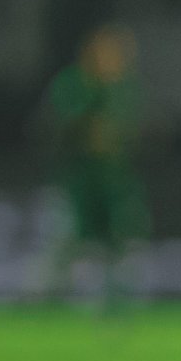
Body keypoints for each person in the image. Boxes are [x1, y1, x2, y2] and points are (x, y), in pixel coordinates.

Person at [40, 25, 148, 308]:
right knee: (67, 241)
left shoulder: (124, 87)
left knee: (123, 241)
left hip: (115, 181)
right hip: (78, 180)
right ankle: (49, 301)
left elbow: (139, 131)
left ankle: (117, 303)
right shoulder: (74, 84)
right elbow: (56, 128)